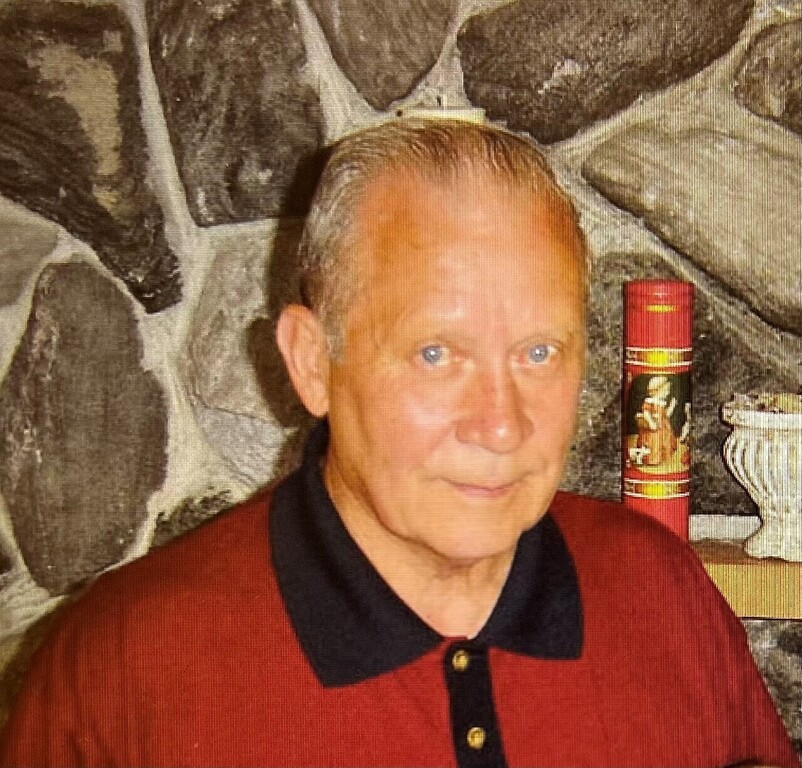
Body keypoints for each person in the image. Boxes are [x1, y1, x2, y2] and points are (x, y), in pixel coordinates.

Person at [0, 119, 797, 768]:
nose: (501, 424)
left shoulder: (664, 594)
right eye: (435, 354)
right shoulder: (120, 670)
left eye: (538, 352)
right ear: (313, 363)